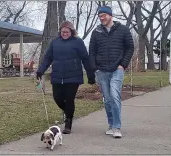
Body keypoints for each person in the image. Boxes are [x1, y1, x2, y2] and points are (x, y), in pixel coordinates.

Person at [36, 21, 95, 134]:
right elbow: (48, 58)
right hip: (57, 75)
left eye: (67, 32)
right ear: (60, 32)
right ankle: (68, 112)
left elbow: (85, 59)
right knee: (57, 98)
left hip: (73, 76)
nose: (65, 34)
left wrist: (90, 74)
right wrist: (40, 70)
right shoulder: (55, 42)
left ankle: (68, 122)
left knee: (69, 99)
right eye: (63, 32)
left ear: (72, 32)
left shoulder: (78, 42)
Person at [89, 6, 134, 138]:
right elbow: (91, 52)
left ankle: (116, 127)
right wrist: (95, 68)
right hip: (101, 71)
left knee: (115, 96)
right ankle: (111, 124)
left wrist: (123, 65)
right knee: (107, 100)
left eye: (104, 15)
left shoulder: (123, 30)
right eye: (100, 16)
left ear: (110, 15)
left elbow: (130, 47)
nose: (102, 18)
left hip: (117, 69)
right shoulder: (96, 32)